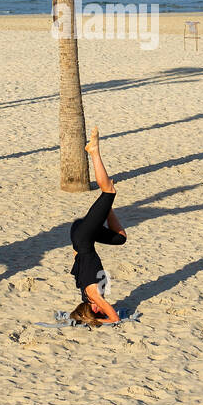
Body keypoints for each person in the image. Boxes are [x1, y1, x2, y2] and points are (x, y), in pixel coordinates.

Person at [67, 127, 127, 326]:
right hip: (80, 237)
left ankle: (93, 151)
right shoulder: (84, 290)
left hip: (83, 237)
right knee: (120, 238)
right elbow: (77, 259)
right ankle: (107, 209)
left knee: (108, 191)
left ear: (93, 308)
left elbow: (115, 318)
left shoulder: (93, 295)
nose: (103, 307)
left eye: (98, 311)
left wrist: (102, 319)